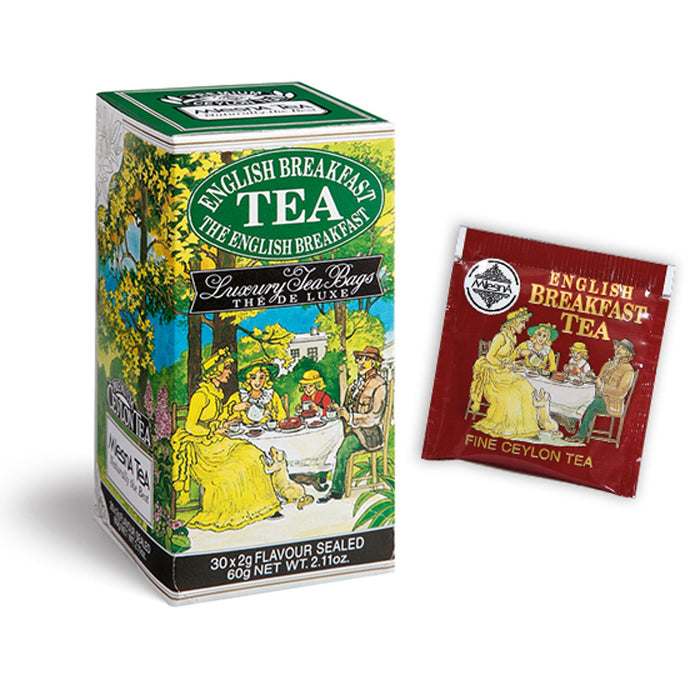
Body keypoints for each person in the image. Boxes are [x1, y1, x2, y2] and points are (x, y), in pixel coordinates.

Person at [170, 349, 281, 530]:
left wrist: (232, 412)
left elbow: (218, 417)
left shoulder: (216, 393)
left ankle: (264, 506)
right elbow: (190, 426)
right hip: (203, 448)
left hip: (218, 442)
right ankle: (236, 510)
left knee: (253, 453)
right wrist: (213, 431)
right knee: (235, 469)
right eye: (225, 368)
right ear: (215, 372)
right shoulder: (201, 395)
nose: (229, 372)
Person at [318, 346, 387, 502]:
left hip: (369, 434)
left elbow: (374, 417)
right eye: (359, 359)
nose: (361, 363)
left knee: (344, 450)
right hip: (353, 430)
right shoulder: (354, 384)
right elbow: (347, 408)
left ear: (374, 363)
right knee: (328, 440)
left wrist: (350, 417)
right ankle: (321, 477)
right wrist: (338, 410)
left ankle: (336, 491)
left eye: (366, 359)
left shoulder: (379, 385)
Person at [469, 307, 540, 439]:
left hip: (504, 375)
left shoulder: (512, 337)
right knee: (513, 395)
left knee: (527, 389)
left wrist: (520, 353)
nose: (523, 326)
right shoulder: (500, 337)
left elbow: (509, 356)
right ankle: (509, 428)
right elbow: (490, 357)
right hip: (493, 376)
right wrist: (503, 364)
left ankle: (527, 428)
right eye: (522, 323)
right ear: (513, 323)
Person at [567, 338, 636, 443]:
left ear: (628, 353)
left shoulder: (628, 370)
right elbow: (598, 380)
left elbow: (620, 393)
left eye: (622, 348)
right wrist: (591, 377)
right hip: (599, 397)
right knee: (583, 395)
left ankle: (580, 433)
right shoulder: (608, 364)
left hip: (612, 403)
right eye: (618, 347)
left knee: (593, 402)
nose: (618, 349)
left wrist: (602, 387)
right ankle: (571, 421)